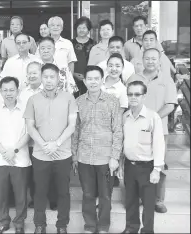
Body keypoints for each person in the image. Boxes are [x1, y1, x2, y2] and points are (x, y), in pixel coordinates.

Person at [24, 63, 78, 234]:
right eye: (45, 76)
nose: (48, 80)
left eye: (52, 77)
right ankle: (40, 225)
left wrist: (57, 143)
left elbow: (72, 125)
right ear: (41, 78)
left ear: (58, 78)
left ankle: (62, 226)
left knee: (63, 192)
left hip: (62, 154)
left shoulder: (68, 98)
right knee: (39, 192)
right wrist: (44, 144)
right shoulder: (33, 100)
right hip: (41, 155)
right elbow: (30, 127)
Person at [71, 65, 123, 234]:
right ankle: (89, 226)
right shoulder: (78, 102)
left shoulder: (112, 101)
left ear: (102, 80)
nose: (93, 82)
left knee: (106, 196)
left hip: (106, 158)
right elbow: (75, 130)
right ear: (84, 81)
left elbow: (118, 130)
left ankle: (103, 227)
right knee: (87, 194)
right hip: (84, 156)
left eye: (96, 78)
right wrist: (74, 156)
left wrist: (115, 156)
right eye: (89, 79)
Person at [127, 48, 178, 214]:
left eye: (153, 59)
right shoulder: (134, 78)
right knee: (137, 164)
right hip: (135, 128)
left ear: (159, 60)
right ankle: (140, 196)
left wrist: (152, 119)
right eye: (147, 58)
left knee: (159, 165)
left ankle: (158, 200)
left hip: (159, 129)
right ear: (142, 59)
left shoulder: (167, 80)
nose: (150, 61)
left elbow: (170, 104)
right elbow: (129, 101)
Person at [119, 80, 165, 234]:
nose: (133, 97)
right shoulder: (125, 116)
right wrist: (120, 164)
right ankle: (131, 228)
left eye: (137, 94)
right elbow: (122, 142)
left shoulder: (153, 117)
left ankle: (147, 230)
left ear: (144, 96)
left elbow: (159, 144)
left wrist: (157, 169)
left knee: (148, 203)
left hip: (147, 167)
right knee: (130, 201)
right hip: (129, 166)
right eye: (130, 94)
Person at [0, 76, 31, 234]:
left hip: (20, 159)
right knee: (1, 195)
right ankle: (3, 222)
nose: (8, 93)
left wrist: (14, 150)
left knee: (20, 195)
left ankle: (19, 223)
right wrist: (5, 152)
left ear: (18, 91)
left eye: (12, 90)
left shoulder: (26, 109)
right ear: (0, 92)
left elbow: (28, 133)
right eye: (5, 90)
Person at [18, 61, 43, 209]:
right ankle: (34, 198)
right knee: (31, 172)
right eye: (30, 73)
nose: (32, 75)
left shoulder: (46, 90)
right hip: (27, 140)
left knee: (43, 171)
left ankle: (51, 199)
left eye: (35, 72)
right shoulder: (23, 92)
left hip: (43, 139)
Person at [71, 17, 95, 97]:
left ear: (88, 30)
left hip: (90, 78)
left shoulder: (94, 44)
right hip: (73, 78)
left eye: (84, 28)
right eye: (79, 27)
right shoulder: (70, 43)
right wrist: (73, 74)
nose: (81, 30)